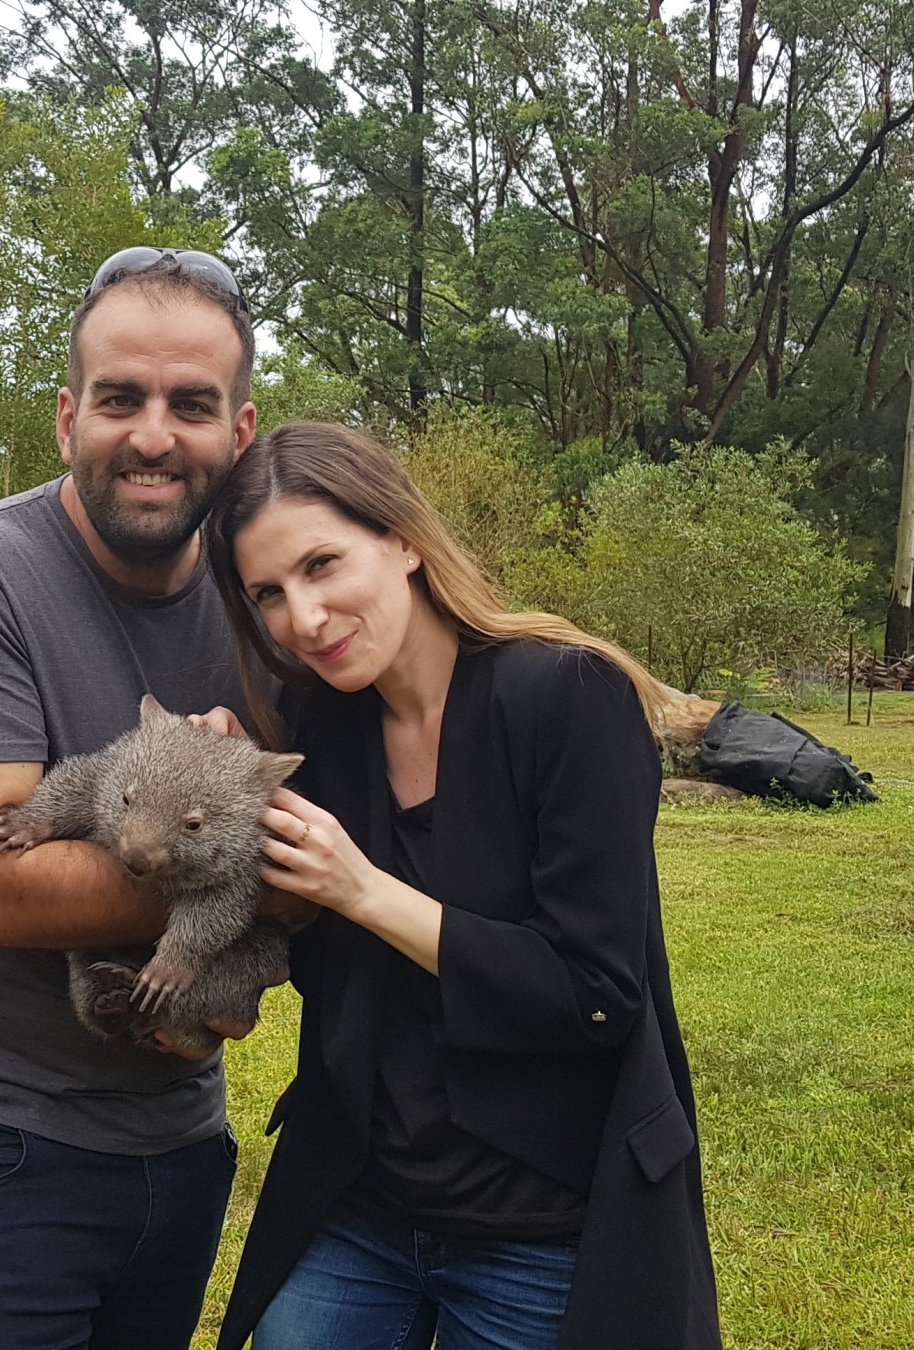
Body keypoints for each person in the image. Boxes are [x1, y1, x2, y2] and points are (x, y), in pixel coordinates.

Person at [201, 423, 722, 1350]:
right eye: (269, 594)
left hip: (543, 1225)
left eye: (324, 564)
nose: (304, 619)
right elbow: (316, 953)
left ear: (402, 540)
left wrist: (364, 891)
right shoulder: (325, 723)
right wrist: (230, 799)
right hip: (362, 1202)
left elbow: (596, 996)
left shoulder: (566, 697)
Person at [0, 247, 283, 1350]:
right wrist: (254, 880)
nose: (153, 435)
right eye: (120, 400)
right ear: (67, 419)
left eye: (192, 404)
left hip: (182, 1135)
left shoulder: (278, 595)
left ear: (238, 435)